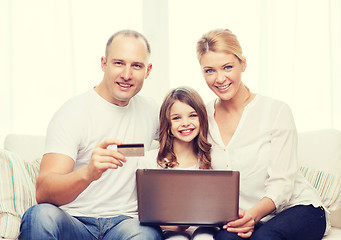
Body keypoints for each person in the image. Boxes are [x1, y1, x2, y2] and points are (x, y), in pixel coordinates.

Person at [19, 30, 162, 240]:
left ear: (148, 71)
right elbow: (44, 191)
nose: (126, 74)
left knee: (147, 234)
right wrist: (88, 173)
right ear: (103, 64)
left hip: (127, 224)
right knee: (39, 215)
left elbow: (189, 139)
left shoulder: (151, 111)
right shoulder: (72, 113)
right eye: (118, 63)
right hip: (75, 222)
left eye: (136, 66)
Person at [195, 28, 328, 240]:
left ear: (243, 64)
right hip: (241, 215)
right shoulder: (201, 118)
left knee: (263, 239)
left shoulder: (276, 111)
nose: (219, 78)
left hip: (296, 208)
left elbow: (283, 183)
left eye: (227, 67)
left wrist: (253, 216)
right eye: (209, 70)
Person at [138, 87, 217, 240]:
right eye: (176, 118)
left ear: (202, 119)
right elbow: (145, 212)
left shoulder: (210, 160)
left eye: (192, 115)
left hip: (205, 228)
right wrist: (174, 225)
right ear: (167, 124)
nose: (185, 123)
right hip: (169, 230)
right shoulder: (150, 161)